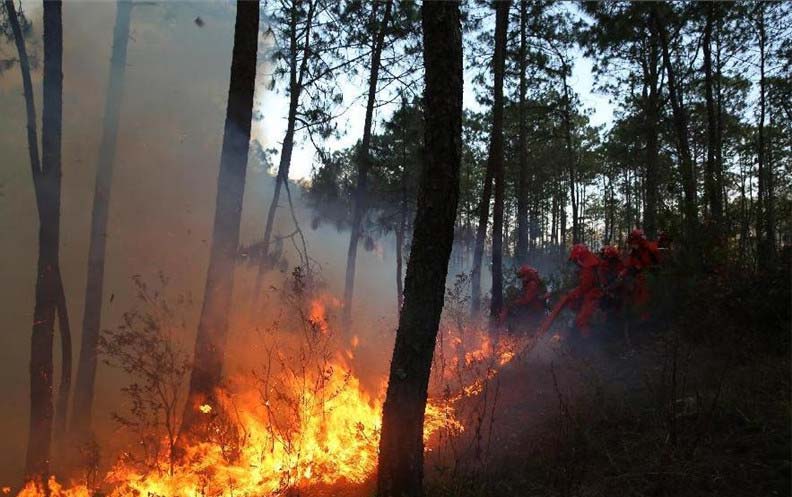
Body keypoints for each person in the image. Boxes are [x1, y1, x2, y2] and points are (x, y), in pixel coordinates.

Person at [565, 244, 603, 335]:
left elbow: (585, 287)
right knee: (577, 315)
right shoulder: (589, 265)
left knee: (581, 320)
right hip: (592, 296)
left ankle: (584, 344)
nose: (575, 263)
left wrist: (574, 293)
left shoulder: (588, 268)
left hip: (592, 297)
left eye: (575, 260)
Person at [502, 264, 546, 331]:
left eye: (523, 276)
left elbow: (527, 300)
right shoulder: (530, 283)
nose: (522, 279)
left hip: (533, 312)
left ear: (527, 275)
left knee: (512, 314)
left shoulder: (532, 285)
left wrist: (515, 302)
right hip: (531, 310)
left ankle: (511, 331)